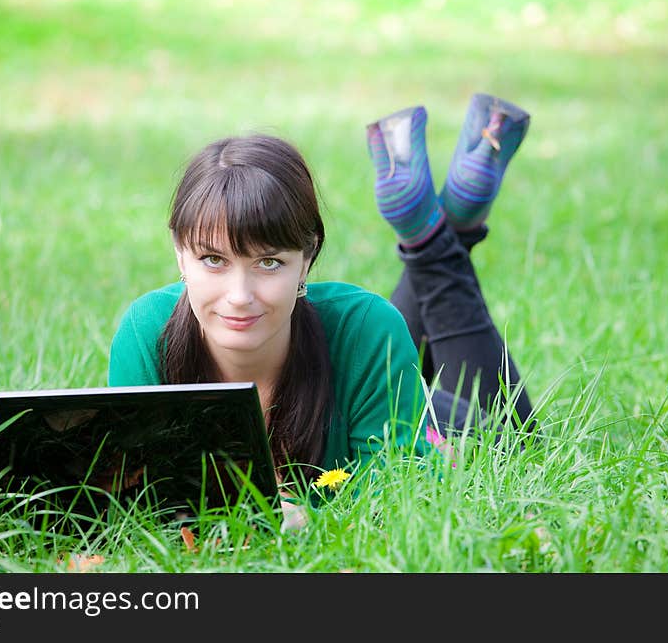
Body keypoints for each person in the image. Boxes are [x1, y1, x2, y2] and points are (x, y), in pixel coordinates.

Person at [107, 93, 535, 512]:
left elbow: (399, 494)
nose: (239, 296)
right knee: (367, 333)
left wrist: (306, 518)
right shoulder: (148, 333)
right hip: (367, 382)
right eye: (213, 260)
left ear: (308, 257)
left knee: (517, 440)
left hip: (439, 426)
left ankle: (435, 234)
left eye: (269, 262)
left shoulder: (366, 328)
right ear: (180, 253)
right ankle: (439, 234)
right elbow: (126, 500)